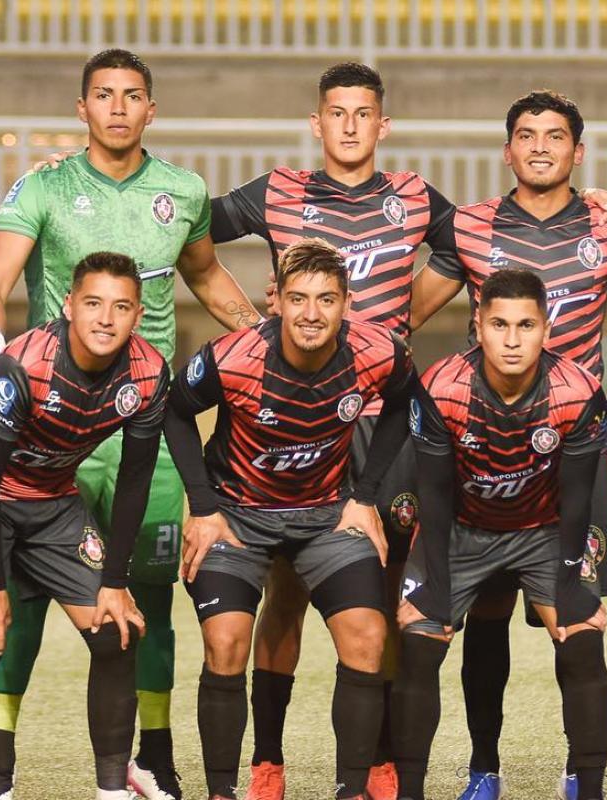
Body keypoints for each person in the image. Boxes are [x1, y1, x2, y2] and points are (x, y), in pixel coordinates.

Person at [205, 63, 607, 800]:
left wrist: (593, 205)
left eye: (362, 113)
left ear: (383, 124)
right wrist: (251, 320)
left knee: (391, 597)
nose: (348, 126)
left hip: (389, 423)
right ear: (317, 122)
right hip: (304, 419)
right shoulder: (278, 191)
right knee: (285, 594)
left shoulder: (415, 199)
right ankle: (268, 759)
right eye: (336, 112)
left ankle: (383, 761)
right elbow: (188, 228)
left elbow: (496, 237)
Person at [0, 48, 261, 800]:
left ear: (151, 110)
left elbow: (205, 275)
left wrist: (263, 339)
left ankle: (151, 757)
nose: (119, 107)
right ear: (83, 108)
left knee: (147, 597)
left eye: (133, 95)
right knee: (23, 599)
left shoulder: (182, 190)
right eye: (104, 94)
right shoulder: (45, 186)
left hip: (144, 426)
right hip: (52, 430)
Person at [408, 89, 607, 800]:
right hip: (481, 454)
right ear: (507, 149)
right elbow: (403, 313)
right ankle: (484, 769)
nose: (540, 146)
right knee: (483, 619)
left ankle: (581, 775)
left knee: (575, 621)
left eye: (555, 136)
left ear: (579, 152)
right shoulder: (470, 225)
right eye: (526, 134)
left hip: (572, 458)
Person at [162, 238, 416, 800]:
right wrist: (203, 507)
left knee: (368, 635)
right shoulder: (231, 357)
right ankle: (227, 790)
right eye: (298, 298)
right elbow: (175, 413)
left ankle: (352, 789)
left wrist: (365, 495)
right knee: (226, 640)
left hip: (326, 516)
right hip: (238, 517)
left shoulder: (379, 350)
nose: (311, 313)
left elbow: (403, 403)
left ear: (347, 303)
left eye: (326, 299)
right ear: (274, 300)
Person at [0, 253, 168, 800]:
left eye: (121, 307)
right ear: (68, 306)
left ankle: (112, 791)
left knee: (116, 631)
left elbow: (135, 481)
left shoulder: (149, 373)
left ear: (138, 315)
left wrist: (115, 581)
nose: (105, 319)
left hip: (54, 499)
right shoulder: (24, 365)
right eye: (93, 303)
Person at [391, 269, 607, 800]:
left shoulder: (578, 392)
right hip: (462, 528)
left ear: (547, 328)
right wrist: (436, 586)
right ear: (478, 325)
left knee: (582, 637)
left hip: (545, 529)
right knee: (420, 638)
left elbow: (578, 499)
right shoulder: (441, 387)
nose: (512, 340)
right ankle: (449, 781)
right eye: (499, 325)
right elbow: (434, 496)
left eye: (526, 325)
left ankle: (588, 786)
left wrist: (570, 583)